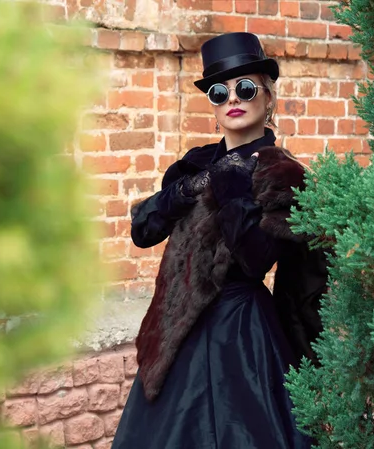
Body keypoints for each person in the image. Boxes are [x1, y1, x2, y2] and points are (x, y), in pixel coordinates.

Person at [111, 32, 327, 449]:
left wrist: (232, 188)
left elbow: (255, 261)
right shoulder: (193, 165)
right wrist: (191, 187)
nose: (233, 98)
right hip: (176, 331)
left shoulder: (284, 174)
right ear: (212, 107)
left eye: (245, 87)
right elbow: (143, 231)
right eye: (219, 91)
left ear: (268, 100)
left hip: (241, 334)